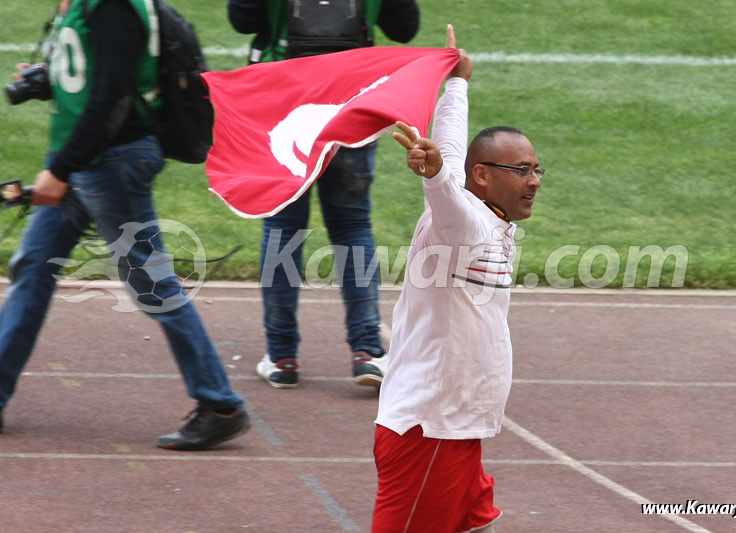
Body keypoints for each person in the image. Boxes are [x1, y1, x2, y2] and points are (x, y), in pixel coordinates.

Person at [0, 0, 250, 450]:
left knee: (152, 286)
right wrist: (48, 79)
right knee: (33, 266)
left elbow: (113, 95)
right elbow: (97, 75)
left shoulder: (111, 5)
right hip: (88, 158)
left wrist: (62, 171)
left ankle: (220, 405)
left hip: (108, 162)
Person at [371, 26, 544, 532]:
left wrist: (458, 83)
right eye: (521, 170)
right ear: (484, 176)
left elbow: (449, 150)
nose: (534, 180)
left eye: (537, 169)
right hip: (428, 431)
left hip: (458, 426)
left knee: (475, 524)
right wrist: (433, 173)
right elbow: (445, 182)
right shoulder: (462, 224)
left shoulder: (486, 215)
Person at [227, 0, 421, 389]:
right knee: (352, 224)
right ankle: (368, 351)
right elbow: (404, 28)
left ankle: (282, 356)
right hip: (353, 97)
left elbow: (242, 18)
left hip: (285, 95)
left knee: (283, 224)